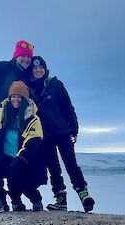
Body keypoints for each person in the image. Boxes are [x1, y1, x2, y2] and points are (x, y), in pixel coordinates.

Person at [29, 56, 95, 212]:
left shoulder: (55, 85)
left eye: (41, 68)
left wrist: (74, 129)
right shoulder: (29, 88)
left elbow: (68, 108)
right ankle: (60, 199)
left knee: (71, 165)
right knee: (53, 168)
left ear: (45, 69)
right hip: (44, 136)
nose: (38, 70)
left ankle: (84, 195)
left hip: (62, 132)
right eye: (35, 68)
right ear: (32, 71)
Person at [0, 81, 47, 213]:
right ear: (10, 97)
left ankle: (35, 200)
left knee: (21, 182)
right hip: (5, 157)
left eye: (19, 97)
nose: (16, 99)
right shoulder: (0, 113)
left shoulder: (33, 119)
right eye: (13, 96)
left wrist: (21, 159)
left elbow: (33, 142)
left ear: (24, 99)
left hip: (24, 158)